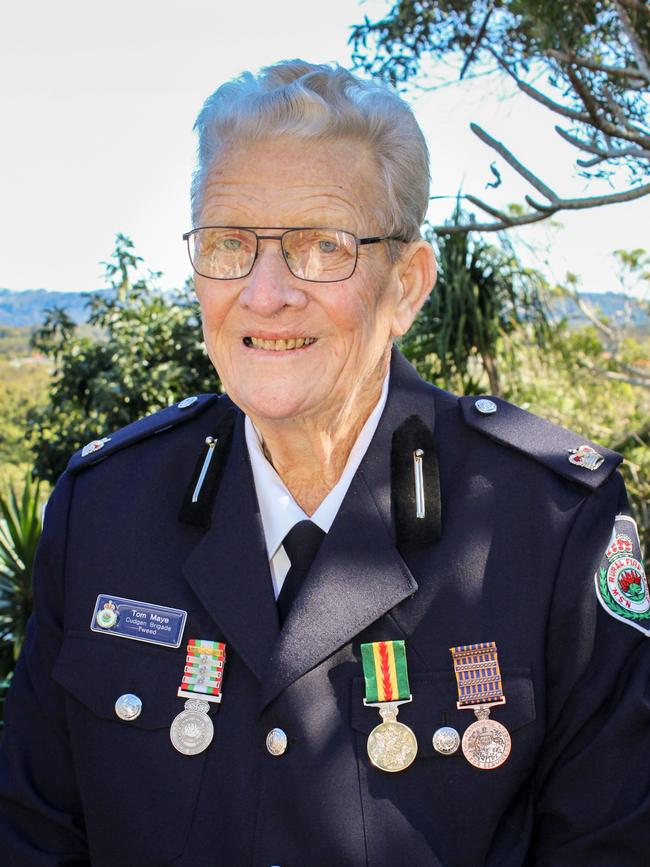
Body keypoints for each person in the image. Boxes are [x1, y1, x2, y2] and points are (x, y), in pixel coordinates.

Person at [0, 59, 648, 867]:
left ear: (406, 286)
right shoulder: (104, 509)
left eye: (320, 247)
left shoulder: (550, 524)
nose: (265, 294)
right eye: (229, 242)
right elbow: (31, 837)